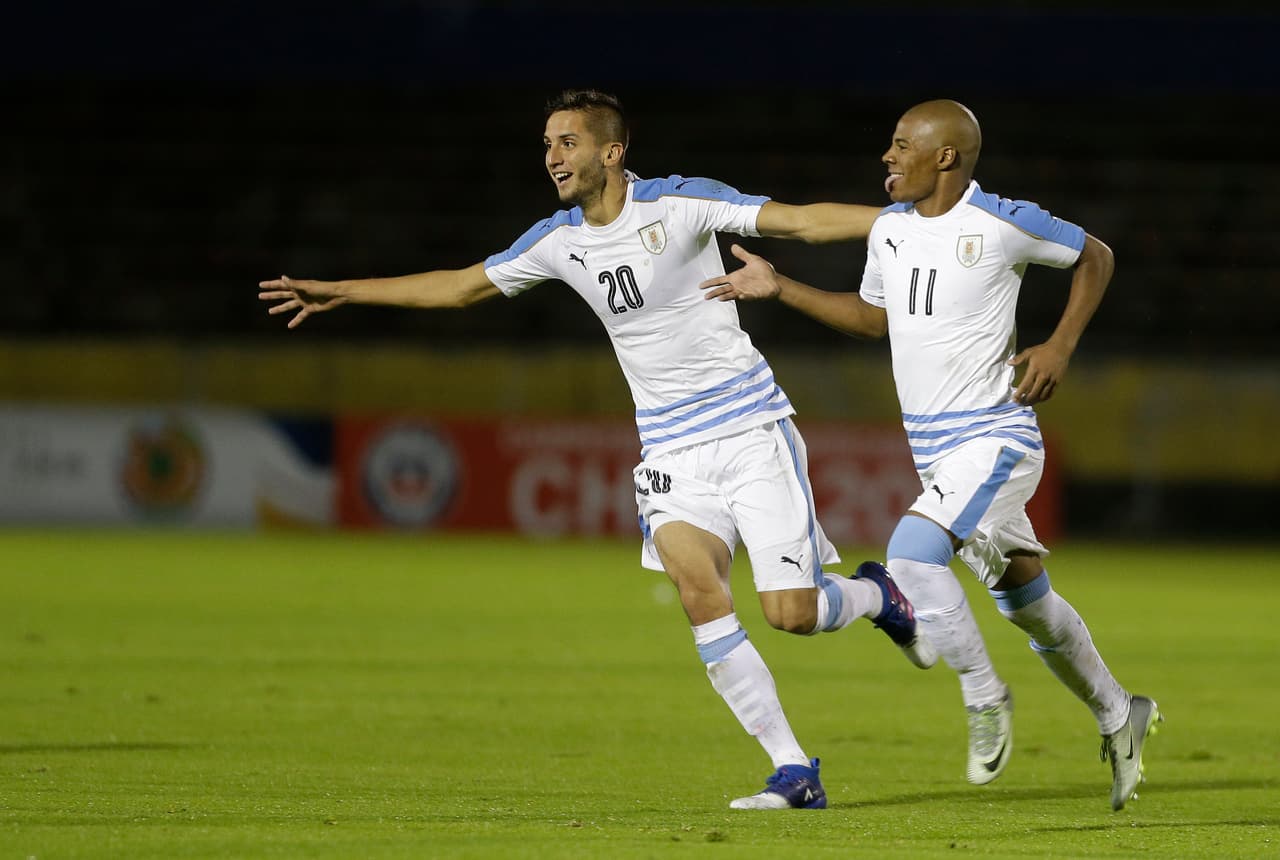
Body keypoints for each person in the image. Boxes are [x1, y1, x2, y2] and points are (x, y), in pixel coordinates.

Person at [259, 89, 937, 811]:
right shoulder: (558, 241)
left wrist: (911, 220)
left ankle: (876, 596)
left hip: (749, 431)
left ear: (612, 152)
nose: (553, 157)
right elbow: (459, 288)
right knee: (699, 594)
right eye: (547, 144)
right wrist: (345, 292)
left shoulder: (679, 204)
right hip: (669, 451)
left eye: (568, 142)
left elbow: (800, 221)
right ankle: (793, 770)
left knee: (792, 615)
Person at [700, 99, 1161, 811]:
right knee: (1026, 601)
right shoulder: (891, 230)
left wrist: (1059, 345)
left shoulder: (1000, 221)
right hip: (936, 453)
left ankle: (984, 696)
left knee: (912, 556)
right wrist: (781, 287)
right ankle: (1118, 710)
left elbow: (1095, 255)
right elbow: (874, 319)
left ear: (945, 156)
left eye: (900, 144)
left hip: (996, 435)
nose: (887, 157)